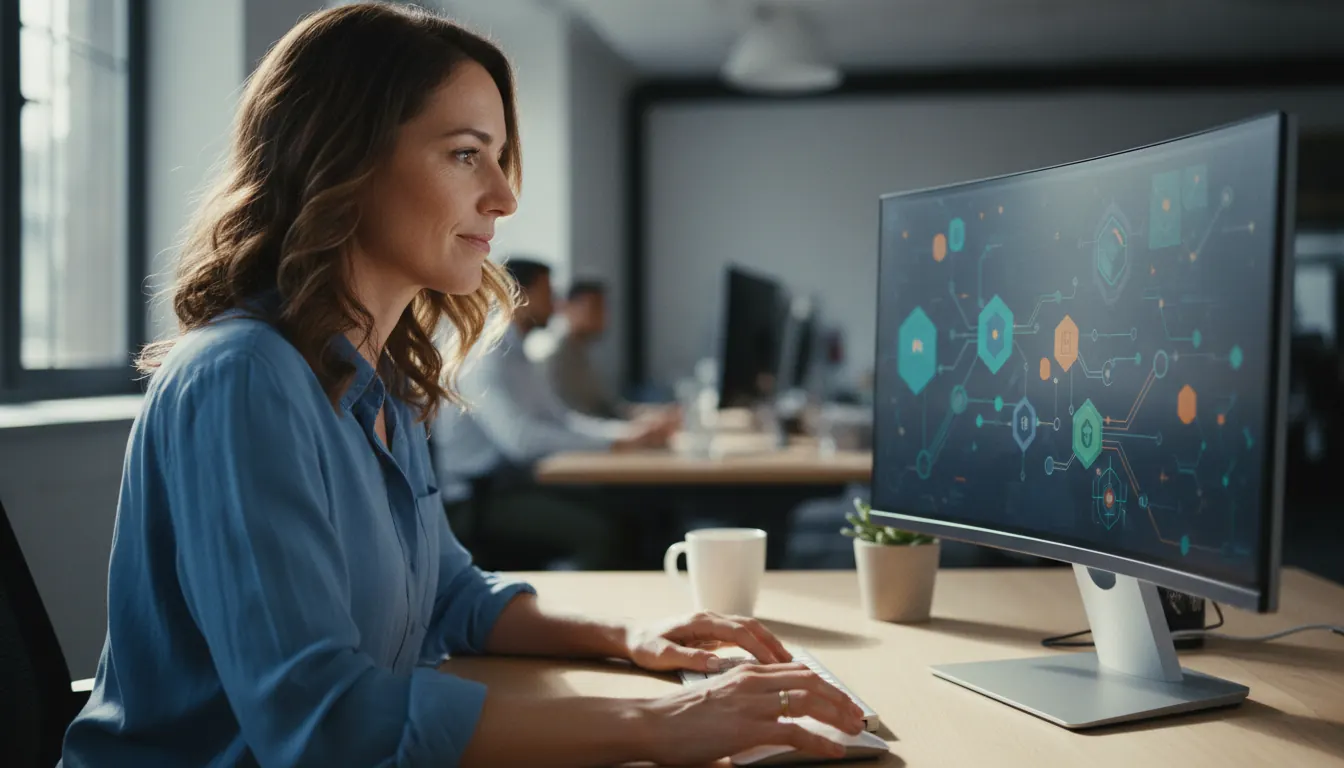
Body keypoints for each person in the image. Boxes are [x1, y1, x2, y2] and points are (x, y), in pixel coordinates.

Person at [59, 4, 863, 767]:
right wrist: (665, 723)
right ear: (344, 159)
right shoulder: (241, 381)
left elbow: (450, 596)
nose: (505, 197)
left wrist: (632, 636)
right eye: (465, 153)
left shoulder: (379, 379)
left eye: (498, 156)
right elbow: (323, 724)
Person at [432, 259, 676, 569]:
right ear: (517, 295)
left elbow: (562, 418)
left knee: (631, 512)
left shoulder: (521, 354)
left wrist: (624, 437)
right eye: (548, 293)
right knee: (600, 534)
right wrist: (615, 443)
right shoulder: (484, 358)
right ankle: (556, 610)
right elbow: (521, 441)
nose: (557, 304)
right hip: (478, 500)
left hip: (517, 484)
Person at [548, 279, 628, 418]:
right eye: (594, 307)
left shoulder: (580, 353)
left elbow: (606, 405)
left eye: (604, 308)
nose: (602, 316)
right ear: (567, 307)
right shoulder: (554, 356)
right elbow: (571, 419)